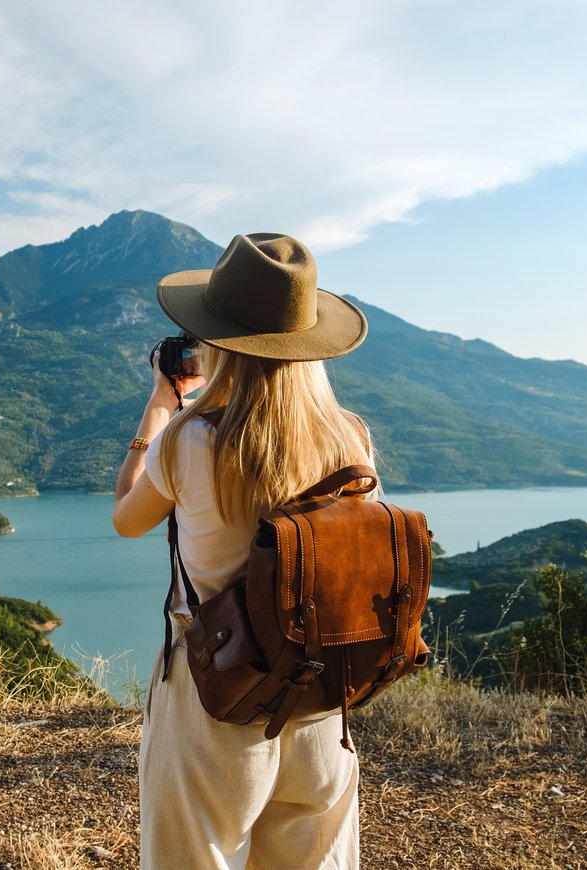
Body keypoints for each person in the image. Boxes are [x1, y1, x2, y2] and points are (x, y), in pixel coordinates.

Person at [112, 232, 375, 869]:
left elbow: (126, 518)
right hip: (317, 698)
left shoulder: (190, 439)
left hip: (216, 696)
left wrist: (158, 408)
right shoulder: (351, 440)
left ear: (216, 341)